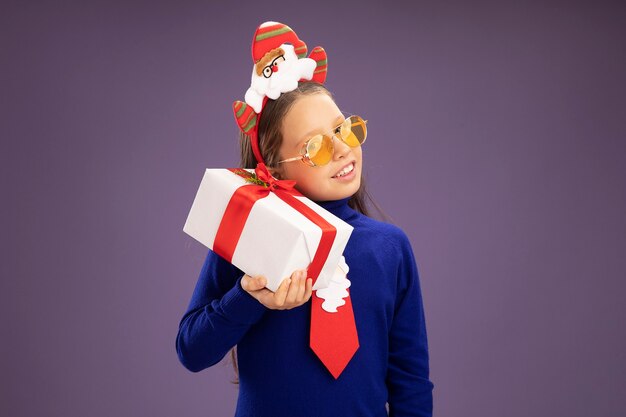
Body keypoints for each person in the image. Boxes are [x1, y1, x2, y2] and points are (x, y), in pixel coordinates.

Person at [176, 22, 434, 417]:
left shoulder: (390, 247)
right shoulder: (248, 237)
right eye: (314, 146)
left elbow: (410, 379)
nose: (341, 150)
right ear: (275, 168)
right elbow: (191, 350)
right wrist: (248, 298)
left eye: (342, 130)